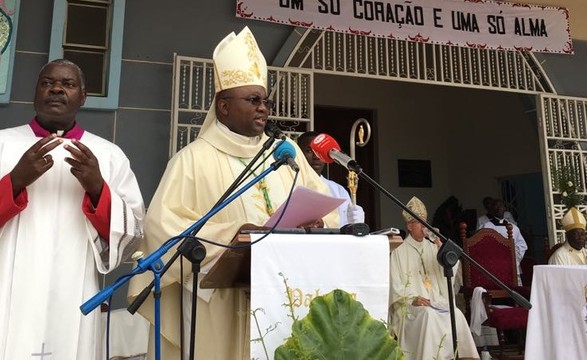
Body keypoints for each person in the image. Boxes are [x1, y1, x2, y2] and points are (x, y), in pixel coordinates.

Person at [127, 27, 338, 360]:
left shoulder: (285, 153)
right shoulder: (193, 159)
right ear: (223, 107)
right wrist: (232, 236)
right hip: (218, 303)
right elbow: (161, 229)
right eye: (253, 100)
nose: (263, 108)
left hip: (283, 293)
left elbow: (325, 204)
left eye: (265, 100)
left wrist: (318, 224)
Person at [0, 59, 145, 359]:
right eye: (47, 83)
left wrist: (97, 189)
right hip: (7, 291)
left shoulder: (108, 155)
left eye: (67, 84)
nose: (56, 89)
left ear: (83, 96)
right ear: (35, 92)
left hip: (75, 292)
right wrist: (14, 182)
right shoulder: (3, 144)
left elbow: (133, 233)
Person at [389, 196, 479, 360]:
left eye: (425, 222)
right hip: (412, 307)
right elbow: (395, 286)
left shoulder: (434, 247)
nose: (424, 226)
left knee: (456, 314)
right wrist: (412, 299)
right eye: (419, 222)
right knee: (429, 316)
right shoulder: (397, 252)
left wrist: (440, 244)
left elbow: (451, 268)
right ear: (409, 226)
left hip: (436, 301)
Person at [297, 131, 365, 226]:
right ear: (299, 155)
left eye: (319, 152)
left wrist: (354, 223)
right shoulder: (291, 184)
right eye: (309, 151)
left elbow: (344, 228)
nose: (316, 157)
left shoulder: (338, 191)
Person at [481, 198, 527, 284]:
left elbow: (522, 245)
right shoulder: (486, 227)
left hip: (511, 264)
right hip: (493, 265)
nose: (498, 208)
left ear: (504, 208)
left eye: (500, 206)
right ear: (492, 209)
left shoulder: (513, 228)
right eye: (495, 206)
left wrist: (513, 256)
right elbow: (483, 246)